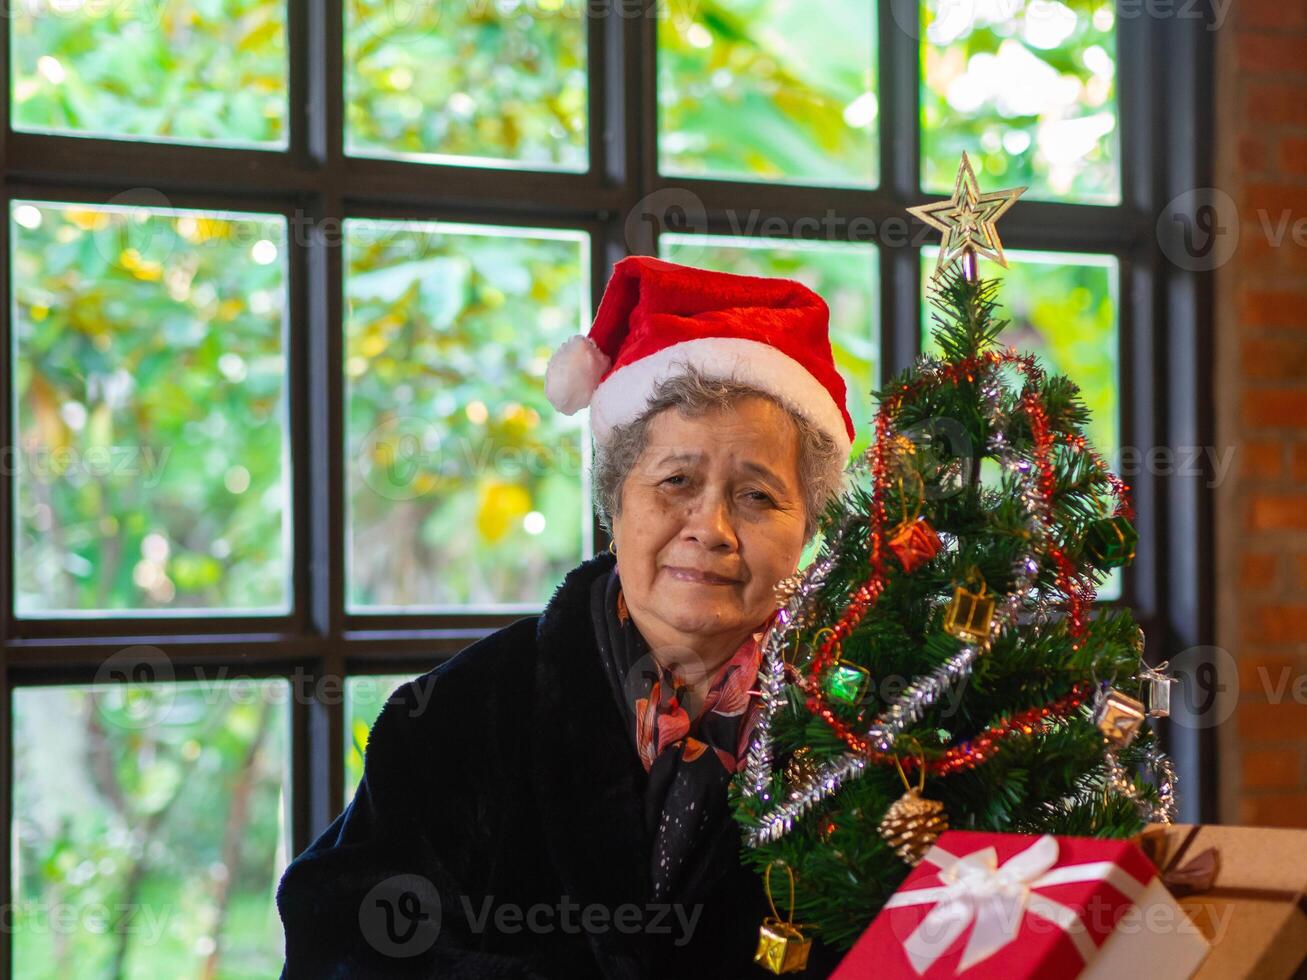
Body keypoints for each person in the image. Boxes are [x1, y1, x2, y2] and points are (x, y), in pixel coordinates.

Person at [276, 255, 856, 978]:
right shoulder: (457, 715)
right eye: (675, 481)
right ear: (614, 502)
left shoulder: (876, 725)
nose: (710, 528)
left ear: (807, 527)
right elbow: (346, 944)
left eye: (757, 497)